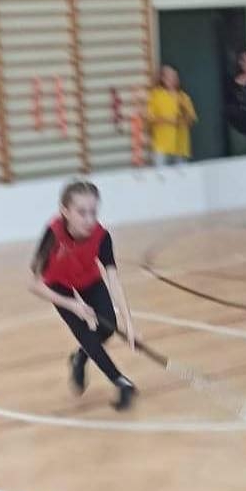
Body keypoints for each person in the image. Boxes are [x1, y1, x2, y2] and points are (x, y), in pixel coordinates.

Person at [30, 180, 137, 410]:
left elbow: (113, 279)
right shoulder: (53, 234)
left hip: (88, 280)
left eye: (93, 212)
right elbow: (35, 284)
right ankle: (121, 382)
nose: (89, 220)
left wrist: (128, 321)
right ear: (65, 211)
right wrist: (72, 304)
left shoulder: (101, 236)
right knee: (86, 334)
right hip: (58, 286)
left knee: (107, 327)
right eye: (81, 212)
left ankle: (80, 357)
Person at [146, 65, 197, 167]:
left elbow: (191, 120)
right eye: (170, 76)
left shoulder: (184, 97)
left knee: (181, 175)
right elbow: (150, 119)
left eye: (175, 76)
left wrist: (183, 117)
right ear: (163, 79)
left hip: (180, 147)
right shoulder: (155, 96)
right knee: (161, 174)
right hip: (162, 146)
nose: (173, 79)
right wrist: (168, 120)